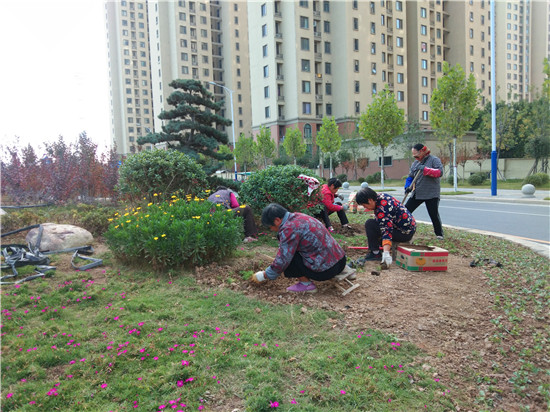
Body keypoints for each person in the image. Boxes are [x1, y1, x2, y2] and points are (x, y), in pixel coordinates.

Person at [251, 203, 356, 293]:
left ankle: (306, 284)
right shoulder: (300, 216)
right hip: (341, 261)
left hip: (327, 270)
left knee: (290, 255)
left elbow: (283, 259)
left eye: (270, 227)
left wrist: (265, 275)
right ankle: (343, 269)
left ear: (277, 220)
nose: (272, 229)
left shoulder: (288, 229)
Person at [354, 188, 416, 267]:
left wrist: (386, 253)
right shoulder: (381, 197)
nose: (365, 208)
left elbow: (387, 230)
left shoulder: (382, 209)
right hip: (407, 229)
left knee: (370, 224)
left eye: (364, 205)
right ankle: (378, 249)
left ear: (370, 200)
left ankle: (375, 253)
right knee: (375, 224)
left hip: (404, 233)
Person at [404, 143, 444, 239]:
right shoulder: (415, 163)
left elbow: (439, 172)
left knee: (433, 214)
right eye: (414, 156)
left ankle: (439, 234)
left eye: (416, 155)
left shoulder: (434, 160)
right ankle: (403, 229)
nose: (415, 158)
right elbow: (410, 177)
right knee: (405, 211)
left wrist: (426, 169)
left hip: (431, 193)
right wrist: (407, 187)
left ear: (422, 151)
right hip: (418, 192)